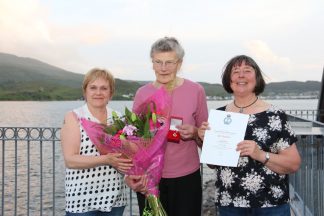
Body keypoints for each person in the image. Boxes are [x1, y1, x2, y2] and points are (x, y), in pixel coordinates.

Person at [198, 55, 301, 216]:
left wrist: (260, 154)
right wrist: (205, 140)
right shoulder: (219, 115)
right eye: (236, 71)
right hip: (229, 203)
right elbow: (212, 164)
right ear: (229, 79)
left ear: (257, 78)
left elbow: (293, 164)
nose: (241, 75)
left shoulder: (275, 115)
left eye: (247, 70)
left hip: (271, 204)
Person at [125, 36, 208, 216]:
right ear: (152, 63)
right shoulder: (142, 93)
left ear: (180, 63)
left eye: (169, 62)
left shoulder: (196, 91)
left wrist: (194, 132)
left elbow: (207, 137)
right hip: (149, 179)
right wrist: (131, 175)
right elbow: (131, 139)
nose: (163, 68)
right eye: (158, 62)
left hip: (186, 177)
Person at [61, 68, 133, 216]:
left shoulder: (119, 118)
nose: (98, 93)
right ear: (85, 91)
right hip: (82, 201)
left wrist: (131, 176)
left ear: (111, 93)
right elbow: (70, 160)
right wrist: (106, 159)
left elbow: (124, 157)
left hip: (115, 201)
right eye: (93, 87)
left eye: (104, 88)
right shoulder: (74, 117)